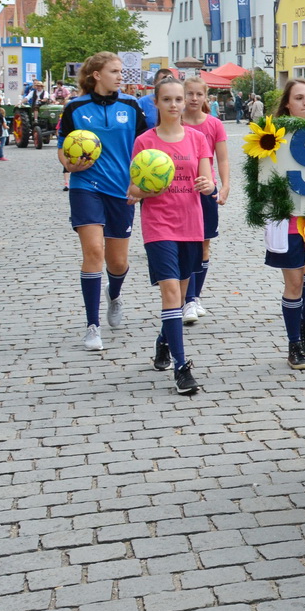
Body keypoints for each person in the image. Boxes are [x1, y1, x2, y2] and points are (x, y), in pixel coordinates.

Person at [60, 52, 151, 351]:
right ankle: (92, 325)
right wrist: (69, 165)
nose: (120, 76)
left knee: (118, 262)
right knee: (94, 252)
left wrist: (138, 184)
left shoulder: (131, 105)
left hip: (121, 190)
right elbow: (63, 147)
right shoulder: (74, 107)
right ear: (96, 74)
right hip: (86, 186)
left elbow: (143, 148)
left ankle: (115, 294)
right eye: (114, 71)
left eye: (120, 71)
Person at [129, 77, 212, 396]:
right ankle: (181, 366)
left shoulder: (196, 139)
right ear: (156, 103)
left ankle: (164, 341)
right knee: (170, 295)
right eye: (168, 100)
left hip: (191, 222)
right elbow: (132, 190)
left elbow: (206, 179)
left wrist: (209, 185)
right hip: (159, 224)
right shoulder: (145, 142)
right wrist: (146, 189)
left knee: (180, 293)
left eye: (179, 99)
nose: (175, 105)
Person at [266, 79, 305, 369]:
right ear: (287, 103)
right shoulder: (272, 137)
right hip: (288, 222)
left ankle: (303, 323)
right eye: (299, 98)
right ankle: (293, 345)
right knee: (294, 285)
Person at [179, 75, 228, 324]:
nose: (194, 99)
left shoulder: (214, 124)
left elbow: (222, 159)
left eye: (199, 94)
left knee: (204, 244)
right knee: (187, 245)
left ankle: (195, 296)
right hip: (180, 192)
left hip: (206, 190)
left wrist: (225, 186)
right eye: (190, 94)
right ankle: (187, 299)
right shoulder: (176, 122)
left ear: (206, 96)